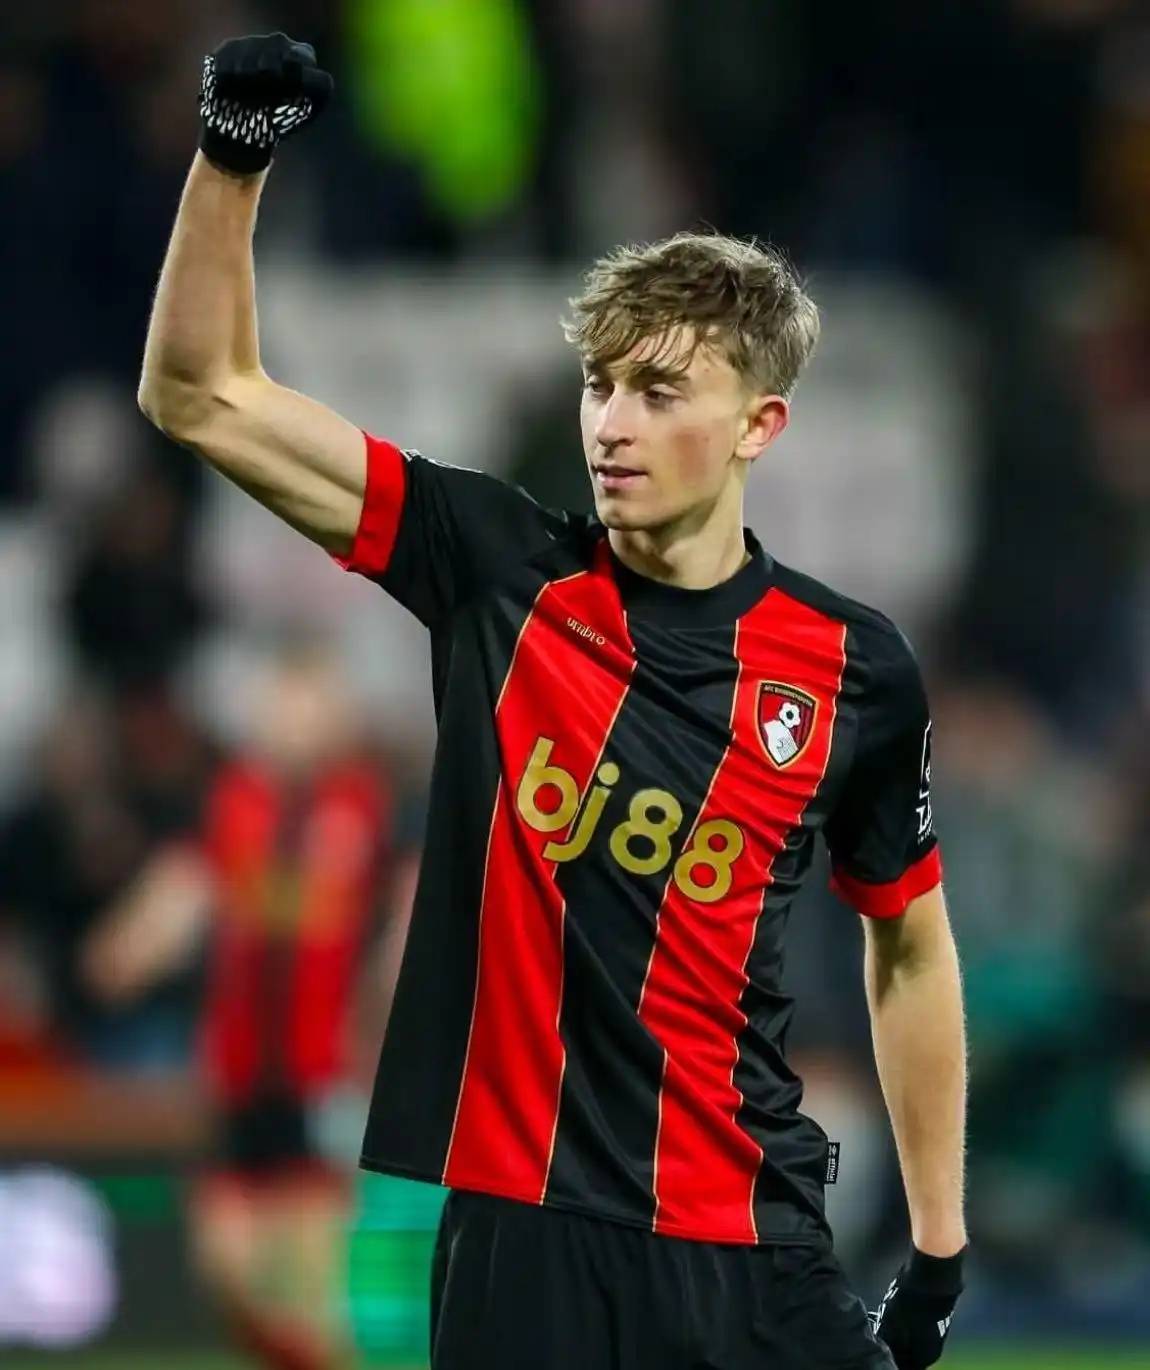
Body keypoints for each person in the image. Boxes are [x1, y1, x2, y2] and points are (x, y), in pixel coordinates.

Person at [138, 33, 968, 1370]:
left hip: (752, 1243)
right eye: (599, 384)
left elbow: (910, 947)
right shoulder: (496, 571)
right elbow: (199, 393)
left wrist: (934, 1245)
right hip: (520, 1250)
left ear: (757, 426)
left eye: (658, 390)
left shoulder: (851, 667)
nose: (610, 424)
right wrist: (231, 161)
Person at [83, 645, 409, 1370]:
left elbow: (405, 912)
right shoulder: (231, 799)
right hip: (236, 1072)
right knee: (222, 1267)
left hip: (321, 1075)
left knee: (308, 1283)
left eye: (306, 706)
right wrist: (129, 947)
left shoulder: (367, 808)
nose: (290, 722)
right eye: (279, 705)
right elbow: (187, 882)